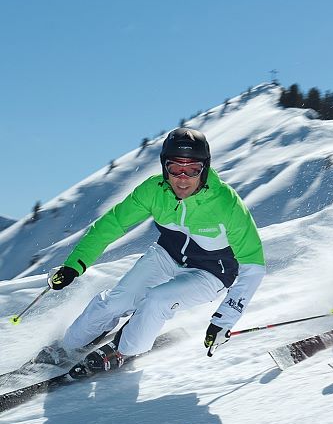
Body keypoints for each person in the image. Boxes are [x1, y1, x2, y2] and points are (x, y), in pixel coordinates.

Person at [39, 128, 265, 373]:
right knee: (115, 302)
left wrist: (223, 320)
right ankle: (69, 345)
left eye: (192, 169)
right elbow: (111, 225)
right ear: (164, 167)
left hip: (212, 272)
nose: (182, 178)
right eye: (175, 168)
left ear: (205, 168)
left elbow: (254, 266)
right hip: (166, 256)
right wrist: (74, 265)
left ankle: (123, 350)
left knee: (157, 300)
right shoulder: (154, 190)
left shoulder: (227, 204)